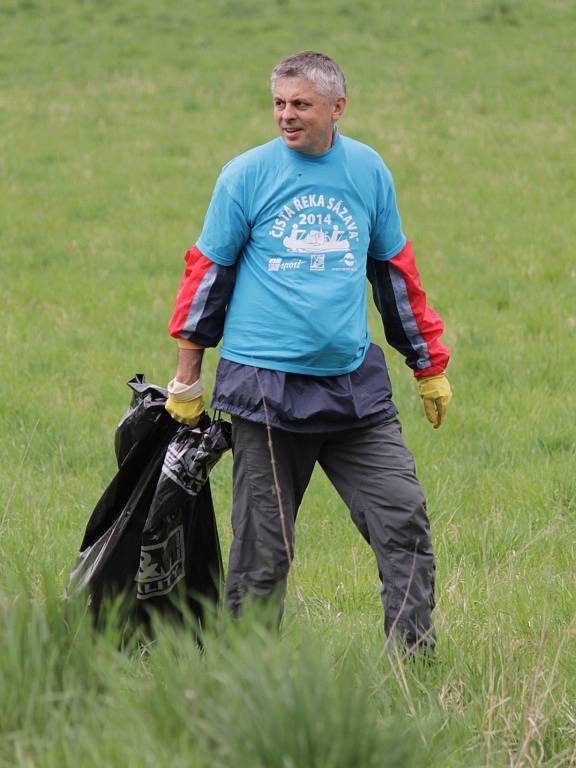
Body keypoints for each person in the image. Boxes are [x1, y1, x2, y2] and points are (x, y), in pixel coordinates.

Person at [165, 51, 452, 654]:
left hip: (353, 388)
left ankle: (414, 661)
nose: (286, 116)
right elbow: (206, 275)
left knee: (404, 521)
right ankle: (249, 676)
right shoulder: (245, 176)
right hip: (266, 391)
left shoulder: (368, 171)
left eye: (300, 104)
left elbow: (394, 274)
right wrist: (187, 380)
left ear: (336, 108)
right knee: (263, 555)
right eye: (278, 103)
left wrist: (428, 365)